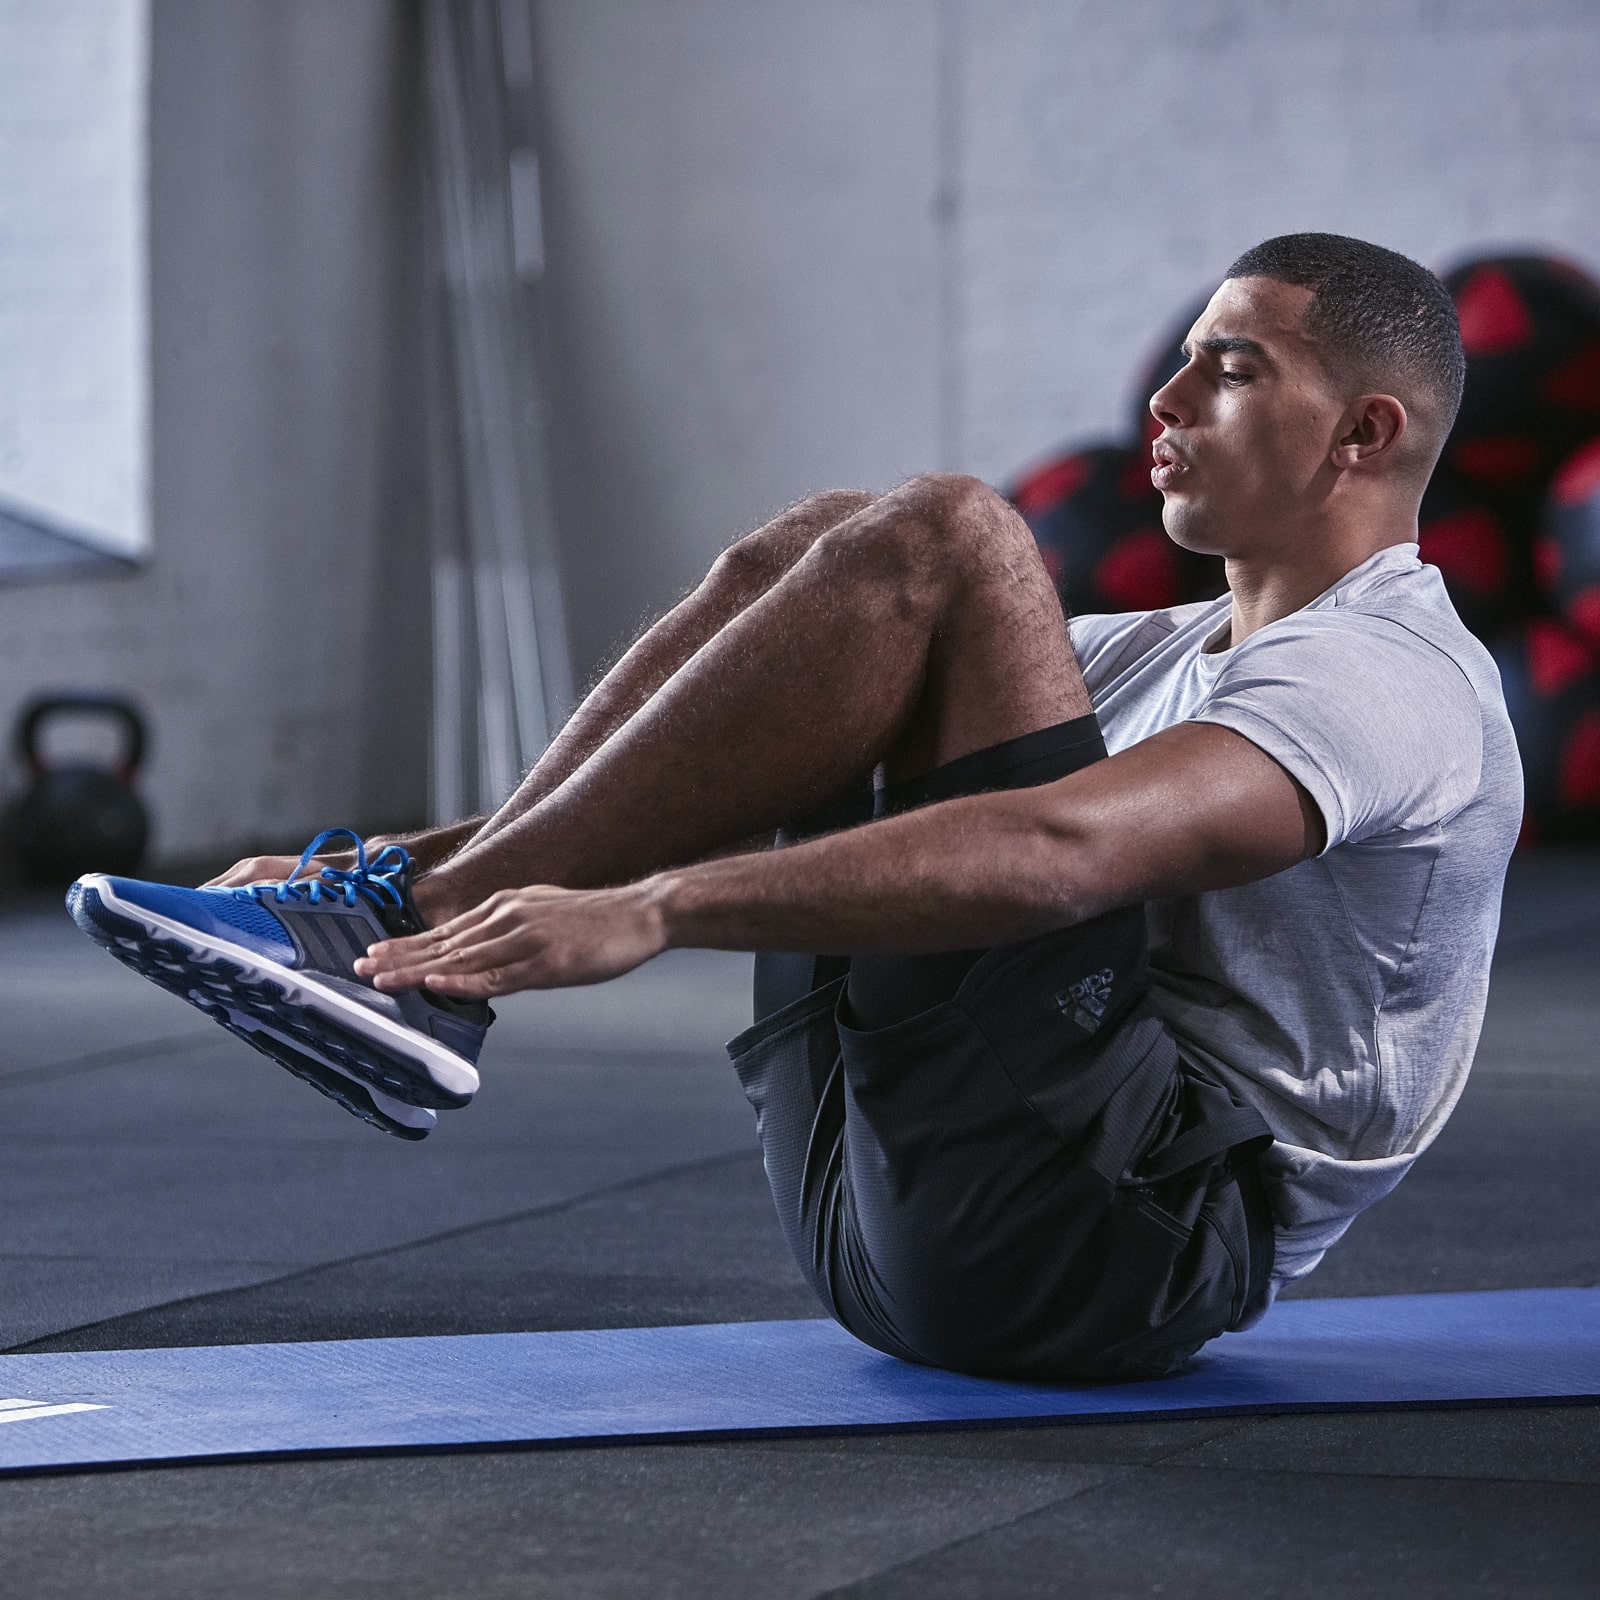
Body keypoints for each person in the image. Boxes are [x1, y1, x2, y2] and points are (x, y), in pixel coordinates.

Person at [69, 233, 1521, 1382]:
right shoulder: (1162, 655)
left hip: (1114, 1244)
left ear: (1363, 433)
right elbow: (762, 734)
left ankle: (409, 934)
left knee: (952, 533)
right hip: (894, 1196)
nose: (1163, 400)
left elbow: (1059, 849)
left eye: (1231, 369)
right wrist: (396, 857)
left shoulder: (1391, 682)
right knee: (826, 549)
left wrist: (657, 911)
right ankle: (394, 922)